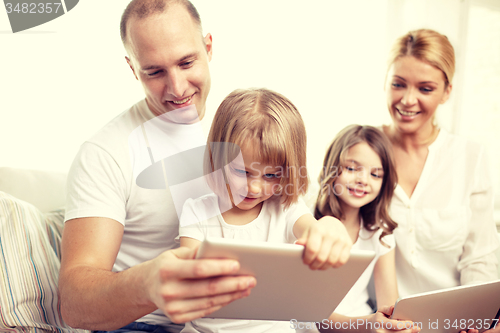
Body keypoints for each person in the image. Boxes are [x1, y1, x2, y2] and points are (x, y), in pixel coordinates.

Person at [59, 1, 259, 332]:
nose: (178, 88)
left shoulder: (244, 130)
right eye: (154, 72)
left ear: (208, 48)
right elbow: (75, 304)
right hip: (144, 325)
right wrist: (147, 284)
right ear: (132, 69)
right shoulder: (105, 153)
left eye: (186, 62)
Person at [177, 88, 353, 333]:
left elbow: (313, 230)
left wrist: (330, 226)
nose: (255, 187)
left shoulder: (286, 208)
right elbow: (190, 277)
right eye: (242, 171)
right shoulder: (197, 212)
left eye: (271, 175)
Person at [381, 29, 499, 333]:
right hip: (382, 324)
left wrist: (478, 320)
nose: (408, 100)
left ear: (446, 92)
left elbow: (480, 258)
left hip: (454, 326)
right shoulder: (362, 153)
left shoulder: (470, 157)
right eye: (398, 84)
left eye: (425, 88)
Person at [314, 126, 418, 333]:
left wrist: (395, 326)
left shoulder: (380, 233)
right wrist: (367, 324)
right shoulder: (306, 223)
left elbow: (388, 306)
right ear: (332, 168)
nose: (363, 180)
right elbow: (311, 316)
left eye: (375, 174)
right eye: (352, 169)